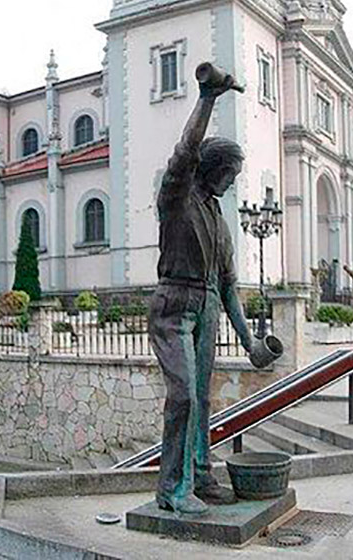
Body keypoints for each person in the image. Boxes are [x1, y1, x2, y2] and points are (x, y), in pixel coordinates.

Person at [149, 62, 261, 517]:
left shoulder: (217, 217)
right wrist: (208, 98)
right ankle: (171, 490)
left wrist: (251, 342)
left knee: (202, 397)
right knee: (183, 397)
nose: (232, 183)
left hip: (208, 304)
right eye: (230, 174)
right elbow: (184, 153)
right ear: (212, 168)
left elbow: (230, 285)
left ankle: (199, 474)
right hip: (174, 305)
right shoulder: (177, 197)